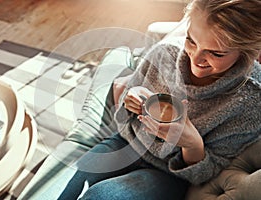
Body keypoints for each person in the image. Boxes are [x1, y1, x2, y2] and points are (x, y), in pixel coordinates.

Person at [57, 0, 261, 199]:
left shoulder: (251, 100)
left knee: (100, 196)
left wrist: (192, 145)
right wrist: (130, 99)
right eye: (191, 40)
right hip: (127, 143)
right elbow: (122, 118)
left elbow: (206, 175)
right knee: (67, 185)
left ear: (247, 51)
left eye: (216, 53)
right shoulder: (165, 53)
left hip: (169, 175)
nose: (195, 59)